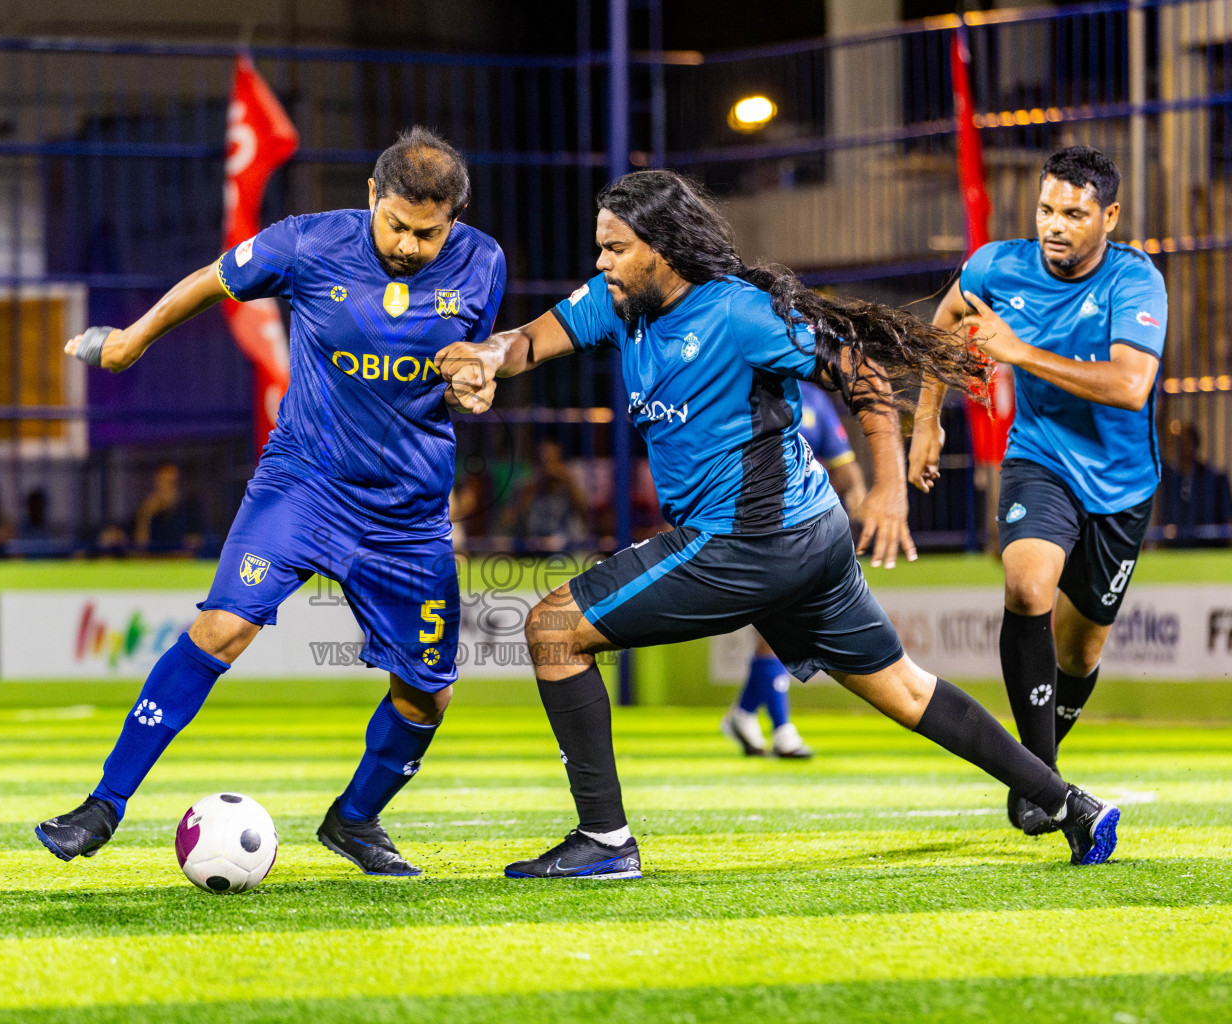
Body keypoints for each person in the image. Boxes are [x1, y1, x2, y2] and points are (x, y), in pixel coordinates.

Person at [437, 168, 1120, 879]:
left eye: (614, 248)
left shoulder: (737, 313)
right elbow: (526, 342)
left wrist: (889, 488)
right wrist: (486, 358)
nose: (600, 262)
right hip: (808, 537)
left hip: (750, 542)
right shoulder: (618, 303)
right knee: (907, 690)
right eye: (599, 248)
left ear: (662, 248)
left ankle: (605, 841)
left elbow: (862, 372)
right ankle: (1074, 806)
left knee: (553, 628)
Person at [34, 127, 507, 875]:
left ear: (453, 218)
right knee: (221, 629)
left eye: (428, 233)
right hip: (304, 484)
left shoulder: (484, 262)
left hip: (408, 512)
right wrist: (132, 341)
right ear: (373, 199)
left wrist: (473, 377)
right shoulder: (307, 243)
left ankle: (354, 820)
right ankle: (102, 804)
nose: (410, 246)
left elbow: (473, 358)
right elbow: (211, 280)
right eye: (397, 226)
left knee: (427, 695)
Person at [908, 147, 1167, 836]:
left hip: (1120, 486)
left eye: (1075, 214)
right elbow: (947, 319)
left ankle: (1035, 770)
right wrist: (926, 420)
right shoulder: (999, 264)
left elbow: (1129, 385)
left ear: (1108, 217)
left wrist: (1018, 351)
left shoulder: (1134, 281)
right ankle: (1040, 786)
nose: (1056, 224)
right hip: (1039, 460)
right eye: (1047, 209)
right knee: (1026, 589)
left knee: (1081, 653)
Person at [721, 381, 866, 758]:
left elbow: (846, 470)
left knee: (782, 628)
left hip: (805, 531)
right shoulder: (748, 386)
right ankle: (782, 729)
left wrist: (862, 510)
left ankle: (745, 713)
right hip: (755, 529)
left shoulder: (815, 399)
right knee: (780, 625)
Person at [500, 439, 589, 553]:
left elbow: (585, 516)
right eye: (544, 462)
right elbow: (507, 521)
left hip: (563, 547)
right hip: (531, 546)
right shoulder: (526, 487)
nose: (549, 468)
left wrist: (569, 482)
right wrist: (534, 487)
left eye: (553, 461)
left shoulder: (568, 486)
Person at [1158, 420, 1231, 547]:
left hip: (1208, 547)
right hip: (1176, 547)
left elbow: (1223, 519)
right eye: (1179, 442)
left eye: (1186, 442)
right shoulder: (1170, 478)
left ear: (1195, 444)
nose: (1183, 447)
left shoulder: (1214, 480)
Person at [132, 462, 204, 555]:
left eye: (171, 483)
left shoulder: (190, 509)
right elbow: (140, 548)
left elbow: (194, 546)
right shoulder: (147, 509)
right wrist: (146, 514)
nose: (166, 487)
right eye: (163, 482)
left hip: (178, 565)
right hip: (151, 564)